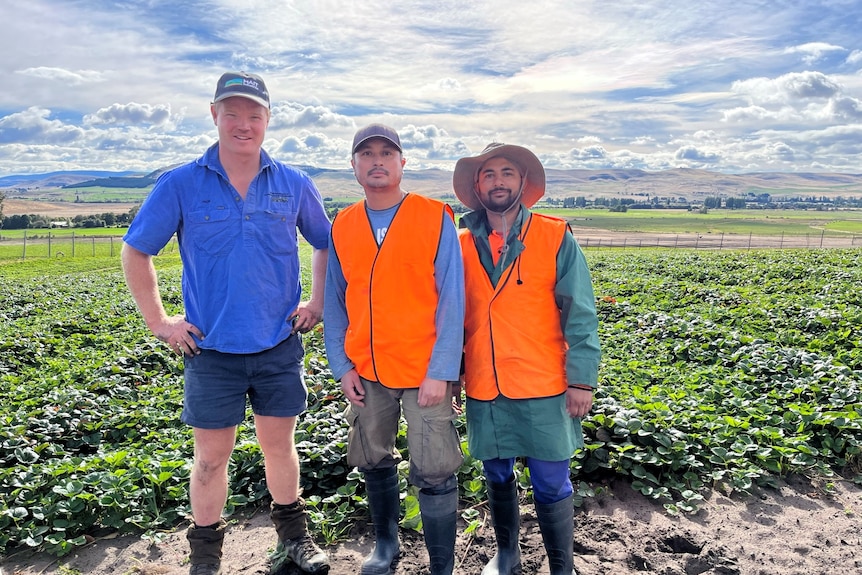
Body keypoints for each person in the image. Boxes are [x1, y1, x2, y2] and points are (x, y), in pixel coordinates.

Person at [121, 71, 331, 575]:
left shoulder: (293, 182)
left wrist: (317, 303)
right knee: (212, 458)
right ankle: (206, 559)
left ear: (267, 120)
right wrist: (161, 323)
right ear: (214, 114)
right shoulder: (181, 183)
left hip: (278, 343)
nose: (243, 124)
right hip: (211, 350)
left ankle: (294, 541)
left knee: (280, 447)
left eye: (254, 114)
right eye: (232, 113)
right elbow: (135, 252)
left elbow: (326, 243)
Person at [323, 124, 465, 575]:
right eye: (367, 154)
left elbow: (452, 297)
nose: (377, 160)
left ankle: (441, 564)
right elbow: (334, 298)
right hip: (367, 370)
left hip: (425, 369)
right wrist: (341, 365)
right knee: (372, 455)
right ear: (354, 166)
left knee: (436, 465)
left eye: (387, 152)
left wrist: (442, 369)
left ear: (403, 163)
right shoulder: (343, 223)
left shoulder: (432, 215)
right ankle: (386, 547)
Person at [453, 143, 601, 575]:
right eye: (488, 174)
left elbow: (581, 313)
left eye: (507, 172)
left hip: (544, 382)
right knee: (497, 475)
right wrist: (454, 374)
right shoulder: (460, 243)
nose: (497, 181)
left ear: (521, 182)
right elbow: (450, 317)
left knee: (551, 480)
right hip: (485, 382)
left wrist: (581, 380)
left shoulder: (556, 235)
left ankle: (562, 566)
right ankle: (508, 554)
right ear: (477, 186)